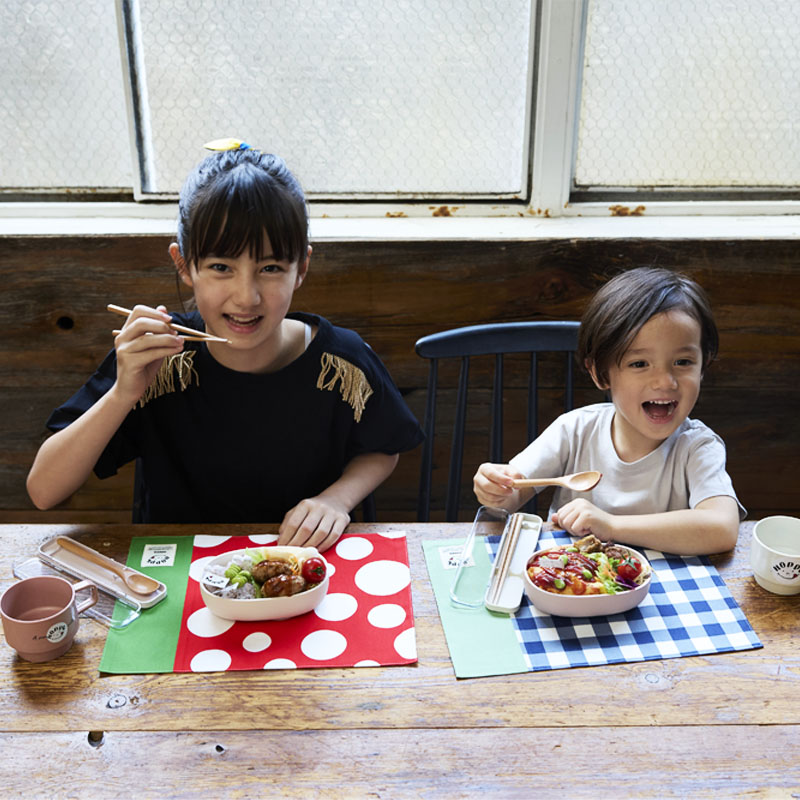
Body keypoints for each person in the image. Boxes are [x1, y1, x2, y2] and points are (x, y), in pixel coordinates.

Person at [27, 140, 423, 551]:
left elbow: (384, 445)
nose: (246, 296)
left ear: (301, 268)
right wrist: (123, 393)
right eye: (221, 267)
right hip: (177, 577)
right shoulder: (159, 356)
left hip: (306, 567)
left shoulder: (341, 361)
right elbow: (44, 490)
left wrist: (337, 499)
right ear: (185, 265)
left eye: (270, 268)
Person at [473, 267, 743, 555]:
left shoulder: (697, 446)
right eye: (639, 364)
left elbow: (721, 528)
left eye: (683, 362)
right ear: (601, 374)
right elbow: (515, 492)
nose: (666, 381)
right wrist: (496, 488)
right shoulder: (575, 429)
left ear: (704, 364)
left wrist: (611, 525)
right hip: (574, 584)